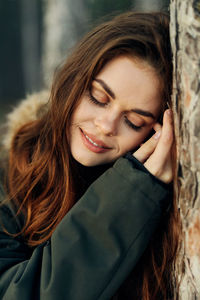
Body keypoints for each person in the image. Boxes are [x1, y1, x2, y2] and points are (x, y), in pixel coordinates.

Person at [0, 11, 180, 300]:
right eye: (98, 97)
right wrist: (129, 193)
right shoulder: (8, 177)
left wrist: (142, 191)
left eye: (134, 121)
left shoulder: (167, 212)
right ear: (73, 81)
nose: (106, 126)